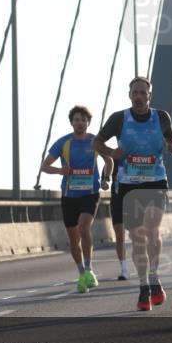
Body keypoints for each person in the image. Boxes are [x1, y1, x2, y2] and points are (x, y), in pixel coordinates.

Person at [94, 76, 172, 311]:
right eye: (135, 93)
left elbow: (171, 136)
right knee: (138, 237)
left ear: (150, 95)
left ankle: (154, 277)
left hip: (155, 181)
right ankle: (143, 287)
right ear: (130, 95)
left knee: (152, 231)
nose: (139, 97)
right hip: (128, 185)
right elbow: (97, 142)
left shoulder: (161, 117)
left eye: (144, 92)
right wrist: (112, 152)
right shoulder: (119, 118)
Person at [41, 105, 111, 294]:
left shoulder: (95, 141)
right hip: (69, 195)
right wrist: (59, 171)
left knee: (83, 228)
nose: (80, 123)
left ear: (88, 122)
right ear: (72, 122)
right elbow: (44, 166)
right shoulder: (64, 142)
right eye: (76, 120)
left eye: (83, 119)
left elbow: (110, 160)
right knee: (73, 239)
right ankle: (82, 273)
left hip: (90, 193)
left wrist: (105, 179)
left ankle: (89, 269)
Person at [106, 160, 130, 280]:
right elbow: (107, 169)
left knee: (139, 234)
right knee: (120, 234)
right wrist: (104, 179)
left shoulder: (137, 153)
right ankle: (124, 269)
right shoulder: (114, 156)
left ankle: (145, 265)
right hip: (117, 199)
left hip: (134, 199)